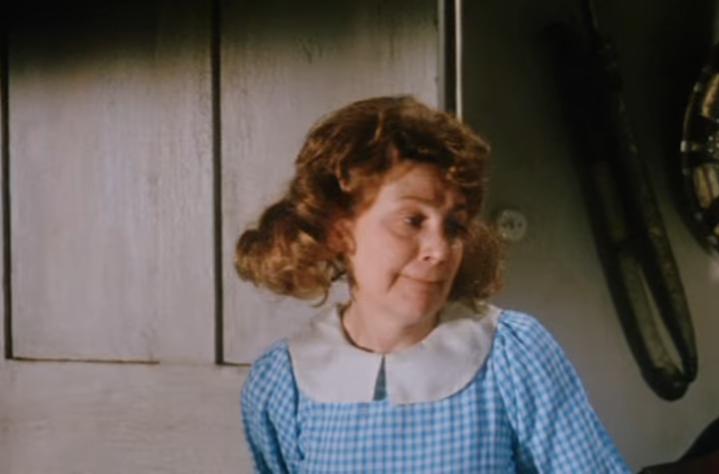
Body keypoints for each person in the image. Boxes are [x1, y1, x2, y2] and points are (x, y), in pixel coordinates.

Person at [236, 96, 629, 473]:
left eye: (454, 226)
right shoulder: (285, 382)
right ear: (339, 230)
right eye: (412, 221)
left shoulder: (510, 356)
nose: (440, 251)